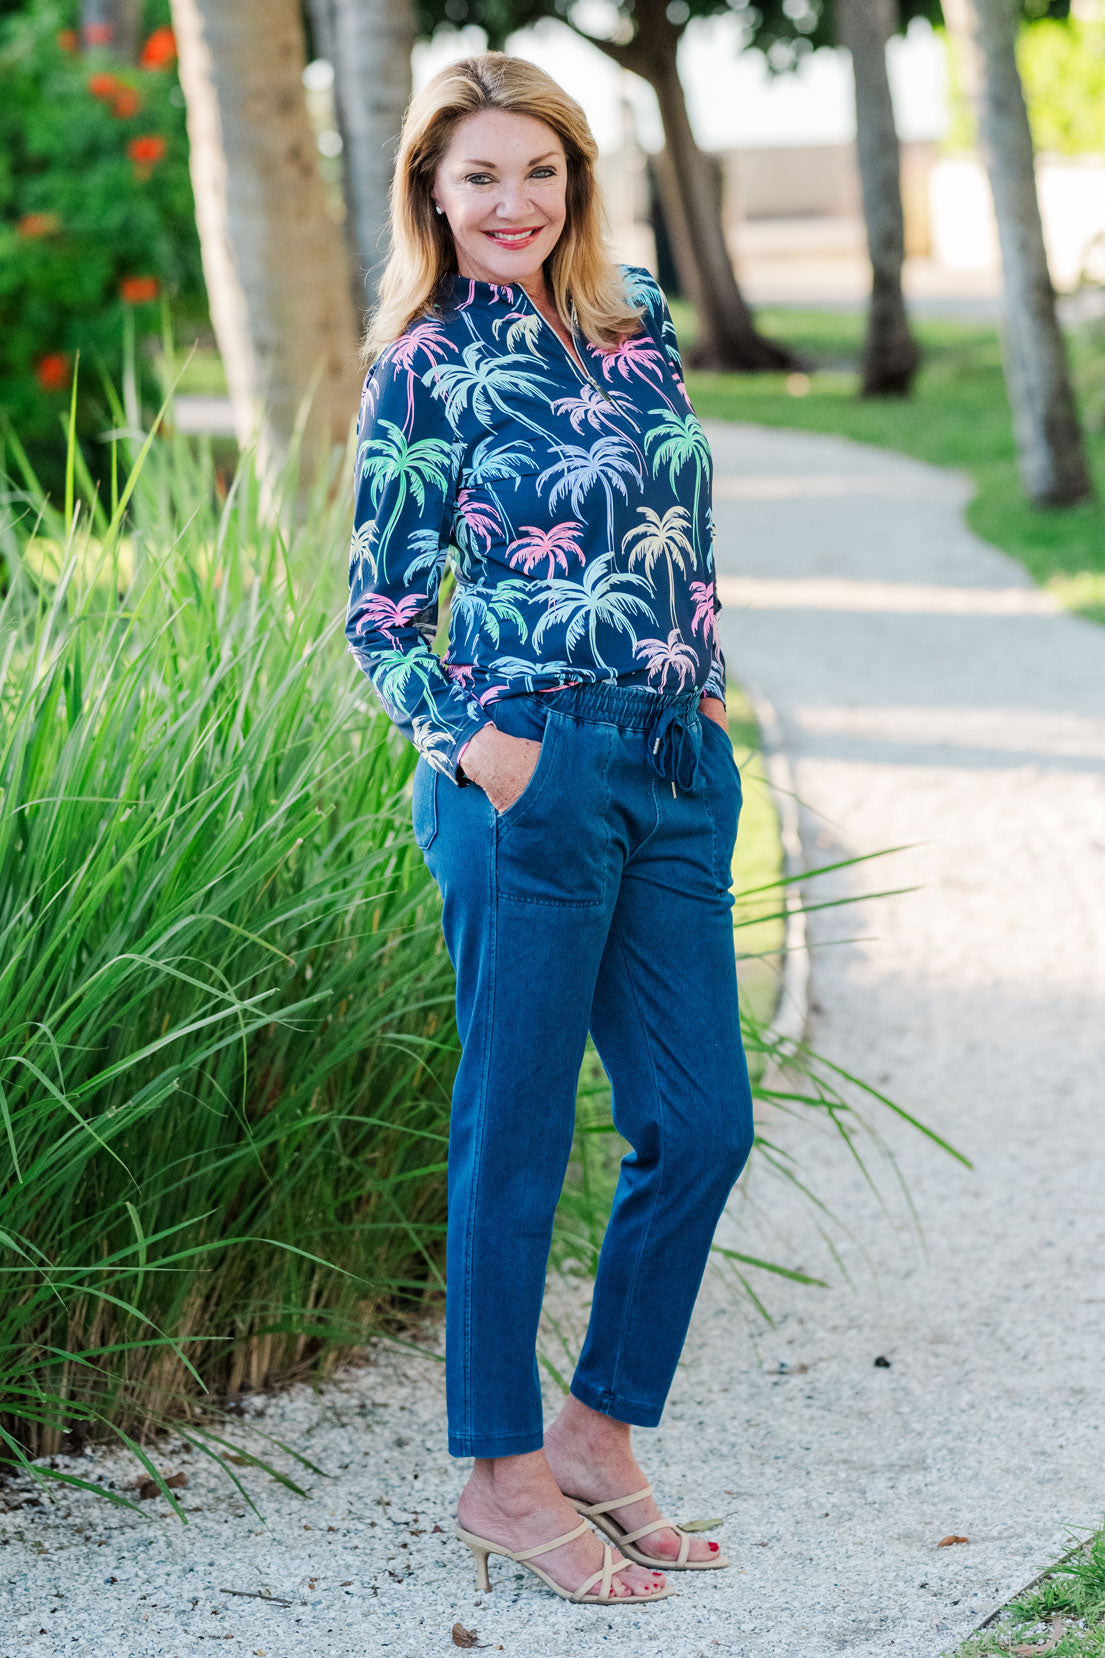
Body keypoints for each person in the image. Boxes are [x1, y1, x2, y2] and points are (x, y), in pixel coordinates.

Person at [345, 50, 754, 1606]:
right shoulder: (424, 364)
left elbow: (679, 535)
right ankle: (500, 1471)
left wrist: (704, 697)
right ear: (432, 198)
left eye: (537, 171)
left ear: (573, 180)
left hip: (671, 764)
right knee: (512, 1130)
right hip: (525, 774)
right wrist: (483, 745)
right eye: (476, 178)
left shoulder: (635, 321)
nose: (511, 202)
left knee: (700, 1123)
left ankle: (595, 1427)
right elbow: (380, 618)